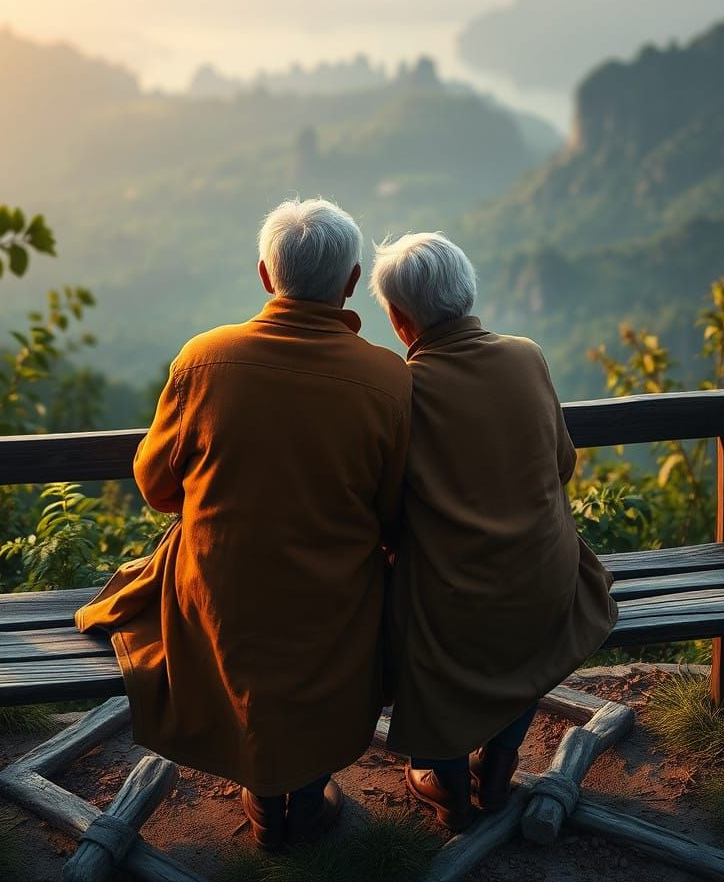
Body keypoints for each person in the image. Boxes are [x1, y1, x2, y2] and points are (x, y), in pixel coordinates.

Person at [76, 199, 411, 851]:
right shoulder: (386, 378)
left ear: (265, 275)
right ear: (349, 282)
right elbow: (393, 511)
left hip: (220, 596)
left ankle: (265, 799)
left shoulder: (206, 359)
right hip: (333, 600)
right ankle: (303, 797)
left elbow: (155, 486)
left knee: (238, 623)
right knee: (332, 627)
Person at [369, 231, 618, 831]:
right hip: (546, 578)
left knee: (428, 613)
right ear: (467, 292)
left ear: (401, 322)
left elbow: (385, 514)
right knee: (525, 631)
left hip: (456, 602)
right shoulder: (526, 355)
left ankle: (446, 777)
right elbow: (563, 464)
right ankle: (500, 758)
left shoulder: (402, 389)